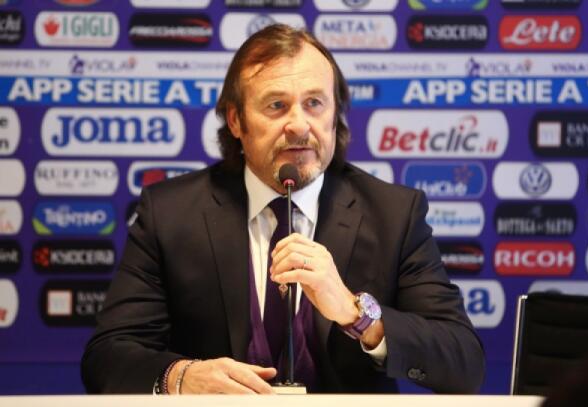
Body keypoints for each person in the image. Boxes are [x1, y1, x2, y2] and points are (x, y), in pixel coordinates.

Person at [81, 24, 485, 395]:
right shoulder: (170, 214)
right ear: (236, 120)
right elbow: (107, 357)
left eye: (315, 103)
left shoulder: (393, 214)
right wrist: (181, 377)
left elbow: (464, 362)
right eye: (276, 105)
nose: (299, 125)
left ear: (334, 115)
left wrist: (356, 315)